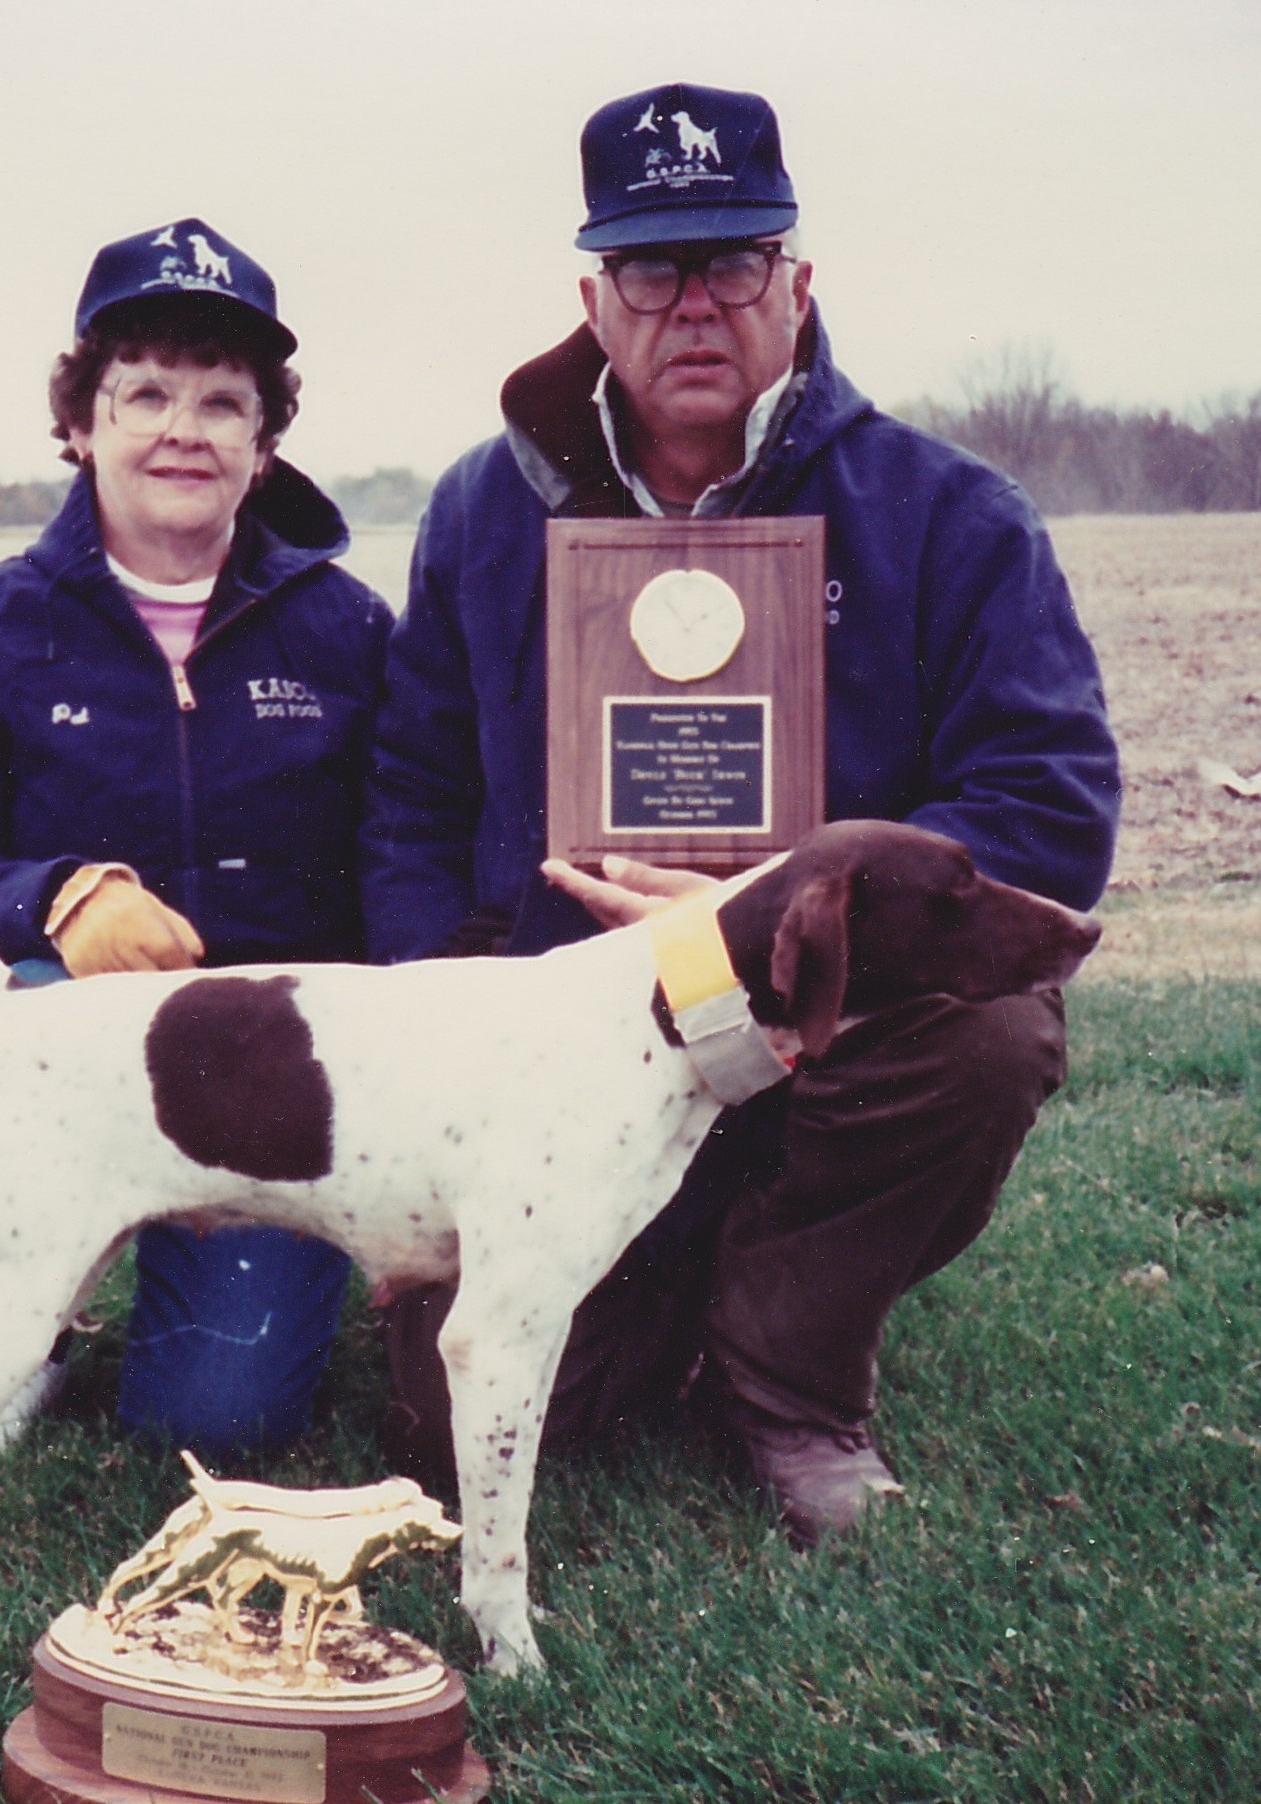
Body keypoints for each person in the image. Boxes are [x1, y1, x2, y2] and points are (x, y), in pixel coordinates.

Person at [360, 86, 1121, 1543]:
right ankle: (663, 1303)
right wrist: (441, 1006)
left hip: (826, 1025)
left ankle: (790, 1376)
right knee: (490, 1415)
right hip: (565, 1041)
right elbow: (410, 791)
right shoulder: (479, 510)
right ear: (594, 295)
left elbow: (1047, 802)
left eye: (735, 260)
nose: (693, 306)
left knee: (991, 1030)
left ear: (799, 282)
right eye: (652, 269)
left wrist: (782, 914)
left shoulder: (949, 515)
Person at [0, 218, 390, 1459]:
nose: (181, 428)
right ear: (81, 422)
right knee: (27, 999)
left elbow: (408, 853)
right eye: (143, 392)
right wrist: (54, 899)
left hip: (274, 1088)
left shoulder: (352, 632)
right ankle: (25, 1327)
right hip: (66, 1066)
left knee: (216, 1422)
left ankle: (230, 1299)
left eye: (222, 400)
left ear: (264, 443)